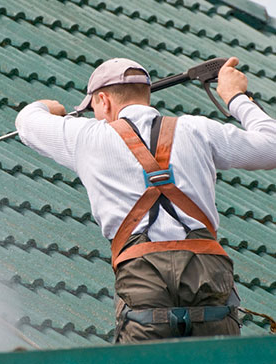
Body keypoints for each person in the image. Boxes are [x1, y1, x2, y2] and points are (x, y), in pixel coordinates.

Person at [15, 57, 276, 342]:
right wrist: (236, 97)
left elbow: (27, 121)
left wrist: (50, 107)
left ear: (103, 100)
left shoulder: (85, 137)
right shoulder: (198, 130)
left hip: (143, 279)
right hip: (207, 274)